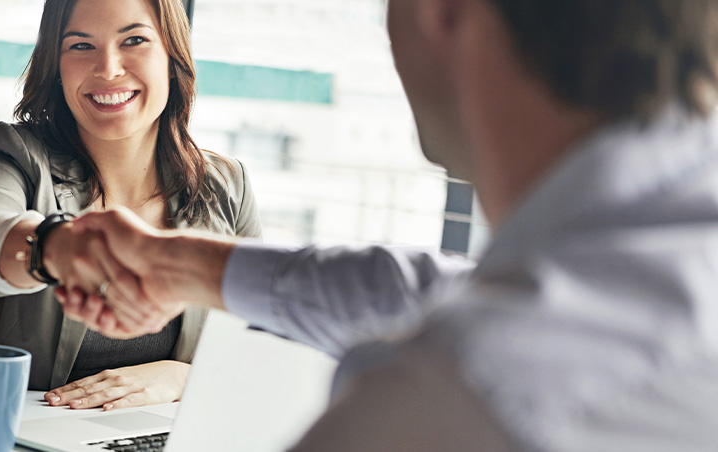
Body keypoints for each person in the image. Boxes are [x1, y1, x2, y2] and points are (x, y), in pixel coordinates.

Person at [55, 0, 718, 449]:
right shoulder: (667, 238)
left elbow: (462, 324)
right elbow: (435, 289)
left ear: (438, 13)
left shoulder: (457, 395)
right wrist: (178, 266)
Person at [0, 0, 260, 412]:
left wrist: (185, 376)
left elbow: (259, 345)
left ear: (172, 56)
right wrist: (59, 249)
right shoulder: (12, 153)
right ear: (55, 65)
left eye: (134, 40)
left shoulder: (227, 184)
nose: (108, 69)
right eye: (81, 46)